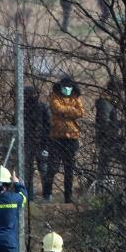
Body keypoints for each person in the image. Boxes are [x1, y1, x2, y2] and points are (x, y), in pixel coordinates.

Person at [43, 76, 84, 204]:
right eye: (65, 87)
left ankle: (68, 196)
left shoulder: (75, 97)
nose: (67, 89)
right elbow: (57, 108)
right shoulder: (54, 96)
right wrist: (71, 111)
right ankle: (47, 193)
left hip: (72, 137)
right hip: (56, 136)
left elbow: (81, 112)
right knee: (53, 167)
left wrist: (65, 112)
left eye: (69, 87)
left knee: (69, 168)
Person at [23, 86, 51, 201]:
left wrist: (46, 142)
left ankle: (47, 194)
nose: (27, 98)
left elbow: (48, 125)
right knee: (28, 171)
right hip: (28, 142)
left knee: (43, 169)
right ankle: (29, 196)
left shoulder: (42, 107)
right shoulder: (23, 108)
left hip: (41, 143)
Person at [94, 78, 121, 180]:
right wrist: (118, 124)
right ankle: (100, 186)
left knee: (103, 164)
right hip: (107, 138)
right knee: (104, 164)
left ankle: (101, 185)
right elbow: (104, 122)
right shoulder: (105, 103)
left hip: (109, 137)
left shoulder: (111, 102)